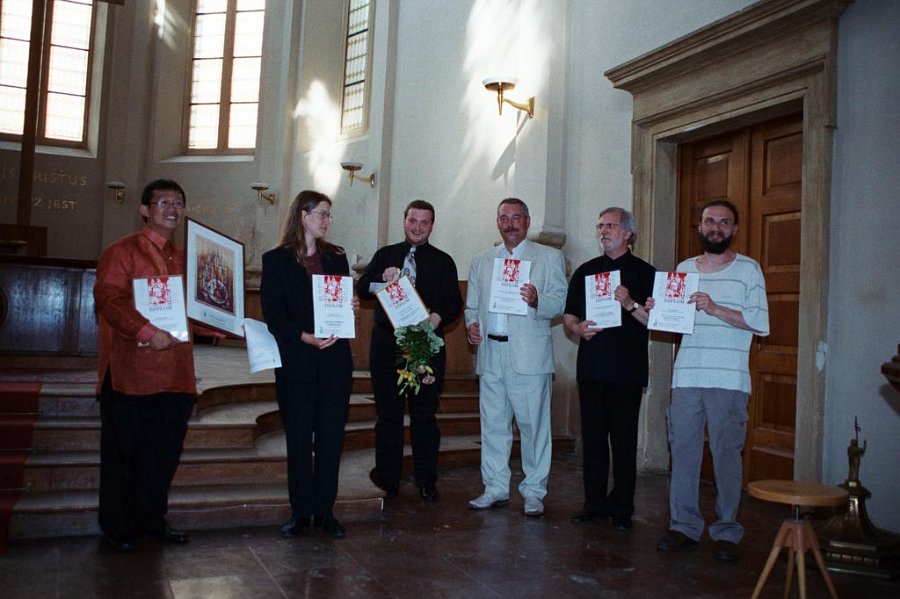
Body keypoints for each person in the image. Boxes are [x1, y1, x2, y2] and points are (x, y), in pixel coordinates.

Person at [94, 178, 213, 552]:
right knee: (124, 455)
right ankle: (118, 527)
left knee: (163, 456)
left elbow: (195, 310)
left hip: (176, 375)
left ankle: (151, 520)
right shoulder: (121, 251)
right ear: (144, 209)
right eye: (164, 202)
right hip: (130, 374)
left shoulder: (187, 258)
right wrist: (147, 331)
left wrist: (223, 323)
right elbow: (109, 300)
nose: (173, 209)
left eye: (178, 202)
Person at [652, 199, 769, 562]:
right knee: (684, 454)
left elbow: (760, 324)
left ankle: (727, 531)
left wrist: (715, 307)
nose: (716, 227)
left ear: (734, 229)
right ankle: (683, 527)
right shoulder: (684, 269)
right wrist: (658, 310)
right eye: (709, 221)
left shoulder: (749, 270)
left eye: (724, 222)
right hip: (687, 376)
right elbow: (673, 322)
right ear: (699, 227)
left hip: (729, 380)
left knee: (726, 458)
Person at [260, 190, 357, 539]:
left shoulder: (336, 257)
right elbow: (273, 315)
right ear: (303, 215)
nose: (327, 221)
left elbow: (340, 306)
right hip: (297, 363)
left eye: (329, 215)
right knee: (299, 440)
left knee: (331, 440)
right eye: (322, 214)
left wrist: (350, 306)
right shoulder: (276, 260)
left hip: (334, 364)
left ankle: (325, 512)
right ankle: (300, 512)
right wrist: (304, 336)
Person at [464, 198, 567, 516]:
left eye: (516, 218)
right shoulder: (482, 260)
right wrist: (472, 326)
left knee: (534, 427)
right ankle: (494, 487)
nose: (509, 224)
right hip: (491, 353)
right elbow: (472, 306)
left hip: (529, 355)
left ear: (527, 221)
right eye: (503, 218)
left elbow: (561, 301)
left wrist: (537, 300)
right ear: (498, 222)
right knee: (493, 426)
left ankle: (534, 490)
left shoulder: (549, 257)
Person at [358, 200, 463, 501]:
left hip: (424, 345)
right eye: (412, 221)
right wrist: (382, 280)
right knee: (388, 416)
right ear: (404, 221)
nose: (417, 227)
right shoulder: (385, 255)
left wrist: (437, 318)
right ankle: (388, 480)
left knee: (424, 416)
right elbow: (363, 289)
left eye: (424, 222)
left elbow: (454, 302)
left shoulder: (443, 261)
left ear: (432, 226)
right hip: (387, 345)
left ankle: (426, 481)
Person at [563, 207, 655, 530]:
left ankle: (622, 508)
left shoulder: (645, 273)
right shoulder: (586, 271)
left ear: (627, 233)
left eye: (611, 226)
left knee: (624, 442)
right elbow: (569, 315)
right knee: (593, 441)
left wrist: (630, 304)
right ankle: (593, 504)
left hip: (627, 371)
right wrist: (577, 328)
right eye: (600, 226)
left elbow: (655, 321)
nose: (603, 231)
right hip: (592, 368)